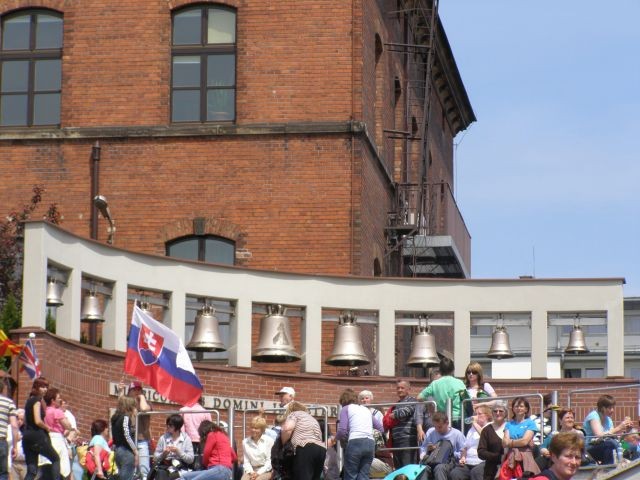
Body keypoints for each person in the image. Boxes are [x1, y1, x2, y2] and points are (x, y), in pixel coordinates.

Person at [336, 388, 383, 480]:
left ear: (343, 401)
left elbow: (342, 430)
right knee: (364, 475)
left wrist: (335, 439)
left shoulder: (346, 409)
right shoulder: (366, 410)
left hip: (355, 442)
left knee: (350, 475)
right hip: (370, 443)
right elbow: (380, 428)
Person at [22, 377, 60, 480]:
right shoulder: (37, 400)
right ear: (37, 387)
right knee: (55, 458)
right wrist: (47, 427)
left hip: (27, 437)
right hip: (37, 436)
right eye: (42, 387)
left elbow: (25, 421)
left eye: (46, 387)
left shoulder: (28, 400)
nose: (45, 389)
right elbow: (38, 420)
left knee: (32, 471)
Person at [280, 401, 326, 480]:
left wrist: (283, 443)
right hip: (321, 449)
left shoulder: (294, 414)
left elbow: (287, 429)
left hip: (305, 447)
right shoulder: (312, 418)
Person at [417, 357, 466, 430]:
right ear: (453, 370)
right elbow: (466, 399)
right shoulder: (460, 383)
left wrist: (430, 404)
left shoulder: (435, 384)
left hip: (442, 420)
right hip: (458, 418)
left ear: (440, 370)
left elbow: (419, 397)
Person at [582, 394, 632, 464]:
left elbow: (615, 438)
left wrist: (627, 431)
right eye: (610, 408)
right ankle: (612, 467)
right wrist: (619, 427)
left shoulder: (608, 419)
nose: (612, 410)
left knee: (627, 446)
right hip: (590, 447)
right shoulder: (593, 416)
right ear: (602, 408)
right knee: (610, 444)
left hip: (606, 446)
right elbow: (599, 435)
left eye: (613, 408)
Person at [418, 411, 465, 480]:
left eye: (440, 427)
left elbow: (463, 452)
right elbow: (423, 448)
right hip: (431, 460)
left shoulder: (457, 434)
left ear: (447, 423)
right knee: (423, 468)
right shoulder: (431, 432)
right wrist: (427, 451)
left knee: (439, 468)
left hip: (449, 463)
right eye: (435, 427)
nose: (437, 430)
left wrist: (449, 453)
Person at [449, 404, 492, 480]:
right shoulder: (472, 429)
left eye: (479, 414)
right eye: (475, 414)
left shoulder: (491, 427)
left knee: (476, 472)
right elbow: (465, 447)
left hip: (482, 461)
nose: (476, 416)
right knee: (455, 473)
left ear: (487, 416)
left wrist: (474, 423)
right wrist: (463, 457)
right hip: (468, 461)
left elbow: (485, 436)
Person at [502, 397, 540, 478]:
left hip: (525, 457)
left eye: (521, 406)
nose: (519, 408)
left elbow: (524, 441)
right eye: (516, 406)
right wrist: (519, 442)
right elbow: (504, 443)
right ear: (513, 409)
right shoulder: (508, 424)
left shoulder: (530, 423)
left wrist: (511, 442)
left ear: (526, 409)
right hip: (510, 456)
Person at [384, 380, 418, 469]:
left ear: (408, 389)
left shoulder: (412, 400)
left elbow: (404, 413)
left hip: (408, 439)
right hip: (396, 440)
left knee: (408, 467)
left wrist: (394, 415)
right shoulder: (396, 404)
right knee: (398, 468)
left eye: (402, 388)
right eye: (398, 388)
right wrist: (393, 415)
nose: (399, 390)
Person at [44, 386, 73, 479]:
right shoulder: (57, 412)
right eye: (58, 398)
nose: (60, 400)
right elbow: (68, 426)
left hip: (46, 439)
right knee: (60, 468)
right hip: (57, 440)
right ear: (53, 400)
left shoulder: (45, 411)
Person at [126, 381, 153, 478]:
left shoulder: (145, 403)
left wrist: (141, 397)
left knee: (143, 471)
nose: (136, 392)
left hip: (142, 441)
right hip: (128, 441)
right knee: (128, 471)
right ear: (129, 392)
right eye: (134, 390)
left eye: (139, 390)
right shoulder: (126, 405)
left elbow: (144, 409)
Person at [111, 395, 139, 480]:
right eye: (134, 406)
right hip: (126, 452)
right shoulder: (125, 418)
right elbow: (127, 435)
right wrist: (135, 451)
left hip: (118, 450)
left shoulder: (115, 417)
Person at [477, 401, 507, 480]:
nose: (498, 413)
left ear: (506, 413)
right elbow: (481, 452)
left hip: (509, 469)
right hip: (491, 471)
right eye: (495, 411)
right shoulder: (486, 430)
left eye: (501, 411)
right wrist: (498, 457)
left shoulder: (511, 427)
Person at [0, 379, 19, 480]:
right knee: (3, 473)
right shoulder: (9, 402)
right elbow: (14, 425)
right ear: (3, 389)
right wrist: (15, 446)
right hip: (1, 440)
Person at [11, 408, 26, 480]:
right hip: (13, 462)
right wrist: (15, 439)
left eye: (22, 420)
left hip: (24, 462)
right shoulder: (10, 429)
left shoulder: (26, 431)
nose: (19, 421)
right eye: (18, 419)